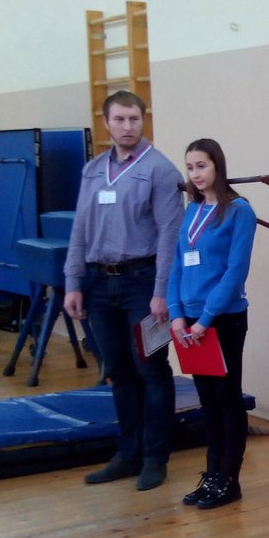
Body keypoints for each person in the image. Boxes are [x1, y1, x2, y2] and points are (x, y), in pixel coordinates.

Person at [64, 90, 183, 491]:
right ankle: (127, 453)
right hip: (99, 284)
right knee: (118, 370)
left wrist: (162, 291)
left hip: (144, 284)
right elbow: (80, 229)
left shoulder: (160, 170)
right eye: (119, 119)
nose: (127, 127)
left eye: (134, 119)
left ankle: (155, 458)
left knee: (151, 369)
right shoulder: (93, 170)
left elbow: (170, 235)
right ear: (106, 123)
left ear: (143, 120)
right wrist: (73, 282)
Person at [168, 138, 258, 509]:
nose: (195, 174)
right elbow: (177, 264)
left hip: (223, 319)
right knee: (207, 401)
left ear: (217, 166)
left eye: (202, 166)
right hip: (190, 321)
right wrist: (176, 313)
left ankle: (229, 479)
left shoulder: (239, 211)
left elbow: (235, 272)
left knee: (227, 399)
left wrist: (205, 320)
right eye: (190, 167)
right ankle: (211, 475)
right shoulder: (191, 211)